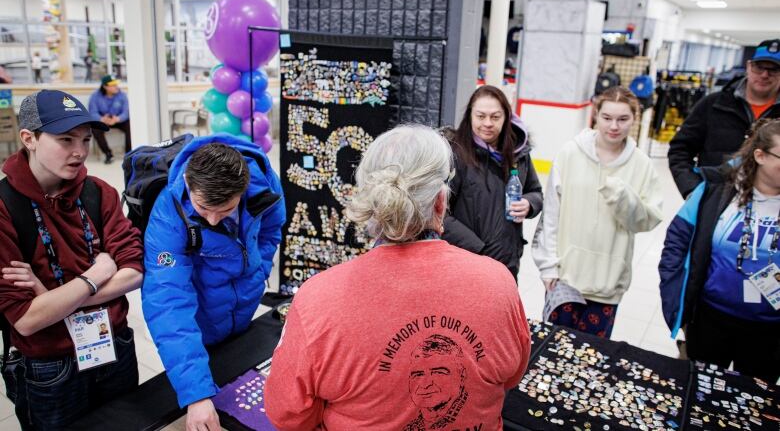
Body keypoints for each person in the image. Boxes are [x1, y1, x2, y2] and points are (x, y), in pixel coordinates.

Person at [265, 125, 530, 430]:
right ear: (441, 203)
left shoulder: (319, 298)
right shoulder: (498, 282)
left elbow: (287, 414)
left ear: (370, 205)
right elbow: (510, 376)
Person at [0, 89, 144, 429]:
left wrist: (51, 298)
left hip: (113, 343)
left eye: (86, 139)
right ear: (29, 139)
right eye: (65, 139)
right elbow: (26, 320)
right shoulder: (5, 208)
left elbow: (135, 271)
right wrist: (97, 274)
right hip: (48, 365)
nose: (80, 151)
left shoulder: (98, 192)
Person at [142, 136, 285, 431]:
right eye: (203, 207)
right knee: (200, 395)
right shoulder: (168, 214)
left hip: (242, 308)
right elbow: (168, 304)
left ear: (243, 191)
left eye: (225, 210)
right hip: (198, 316)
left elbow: (271, 230)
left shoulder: (265, 188)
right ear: (187, 182)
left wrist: (257, 271)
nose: (213, 219)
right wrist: (196, 395)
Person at [533, 87, 663, 338]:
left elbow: (647, 220)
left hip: (607, 284)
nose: (614, 126)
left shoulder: (641, 165)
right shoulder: (570, 153)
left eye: (623, 119)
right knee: (552, 350)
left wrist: (622, 196)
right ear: (595, 116)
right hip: (565, 280)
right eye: (607, 118)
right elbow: (551, 215)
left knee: (592, 360)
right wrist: (548, 267)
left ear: (634, 119)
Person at [659, 118, 780, 383]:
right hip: (710, 320)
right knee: (698, 398)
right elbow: (676, 243)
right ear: (759, 155)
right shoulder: (716, 189)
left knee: (756, 410)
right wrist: (675, 299)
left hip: (770, 331)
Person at [442, 85, 543, 279]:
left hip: (509, 262)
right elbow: (439, 214)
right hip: (468, 263)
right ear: (470, 116)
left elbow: (536, 191)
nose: (488, 123)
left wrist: (529, 204)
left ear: (506, 118)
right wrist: (478, 248)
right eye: (481, 116)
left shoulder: (518, 153)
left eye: (495, 117)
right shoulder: (456, 154)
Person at [669, 39, 780, 198]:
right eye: (759, 67)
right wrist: (691, 188)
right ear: (749, 66)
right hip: (713, 199)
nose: (764, 75)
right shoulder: (713, 104)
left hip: (770, 207)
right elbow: (680, 149)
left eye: (774, 70)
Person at [88, 75, 131, 164]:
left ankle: (129, 154)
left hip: (118, 119)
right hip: (103, 119)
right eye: (113, 85)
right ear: (105, 86)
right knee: (95, 129)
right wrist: (101, 119)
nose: (116, 87)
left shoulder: (122, 95)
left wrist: (118, 119)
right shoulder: (95, 96)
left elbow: (126, 112)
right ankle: (108, 154)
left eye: (116, 84)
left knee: (130, 125)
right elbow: (92, 112)